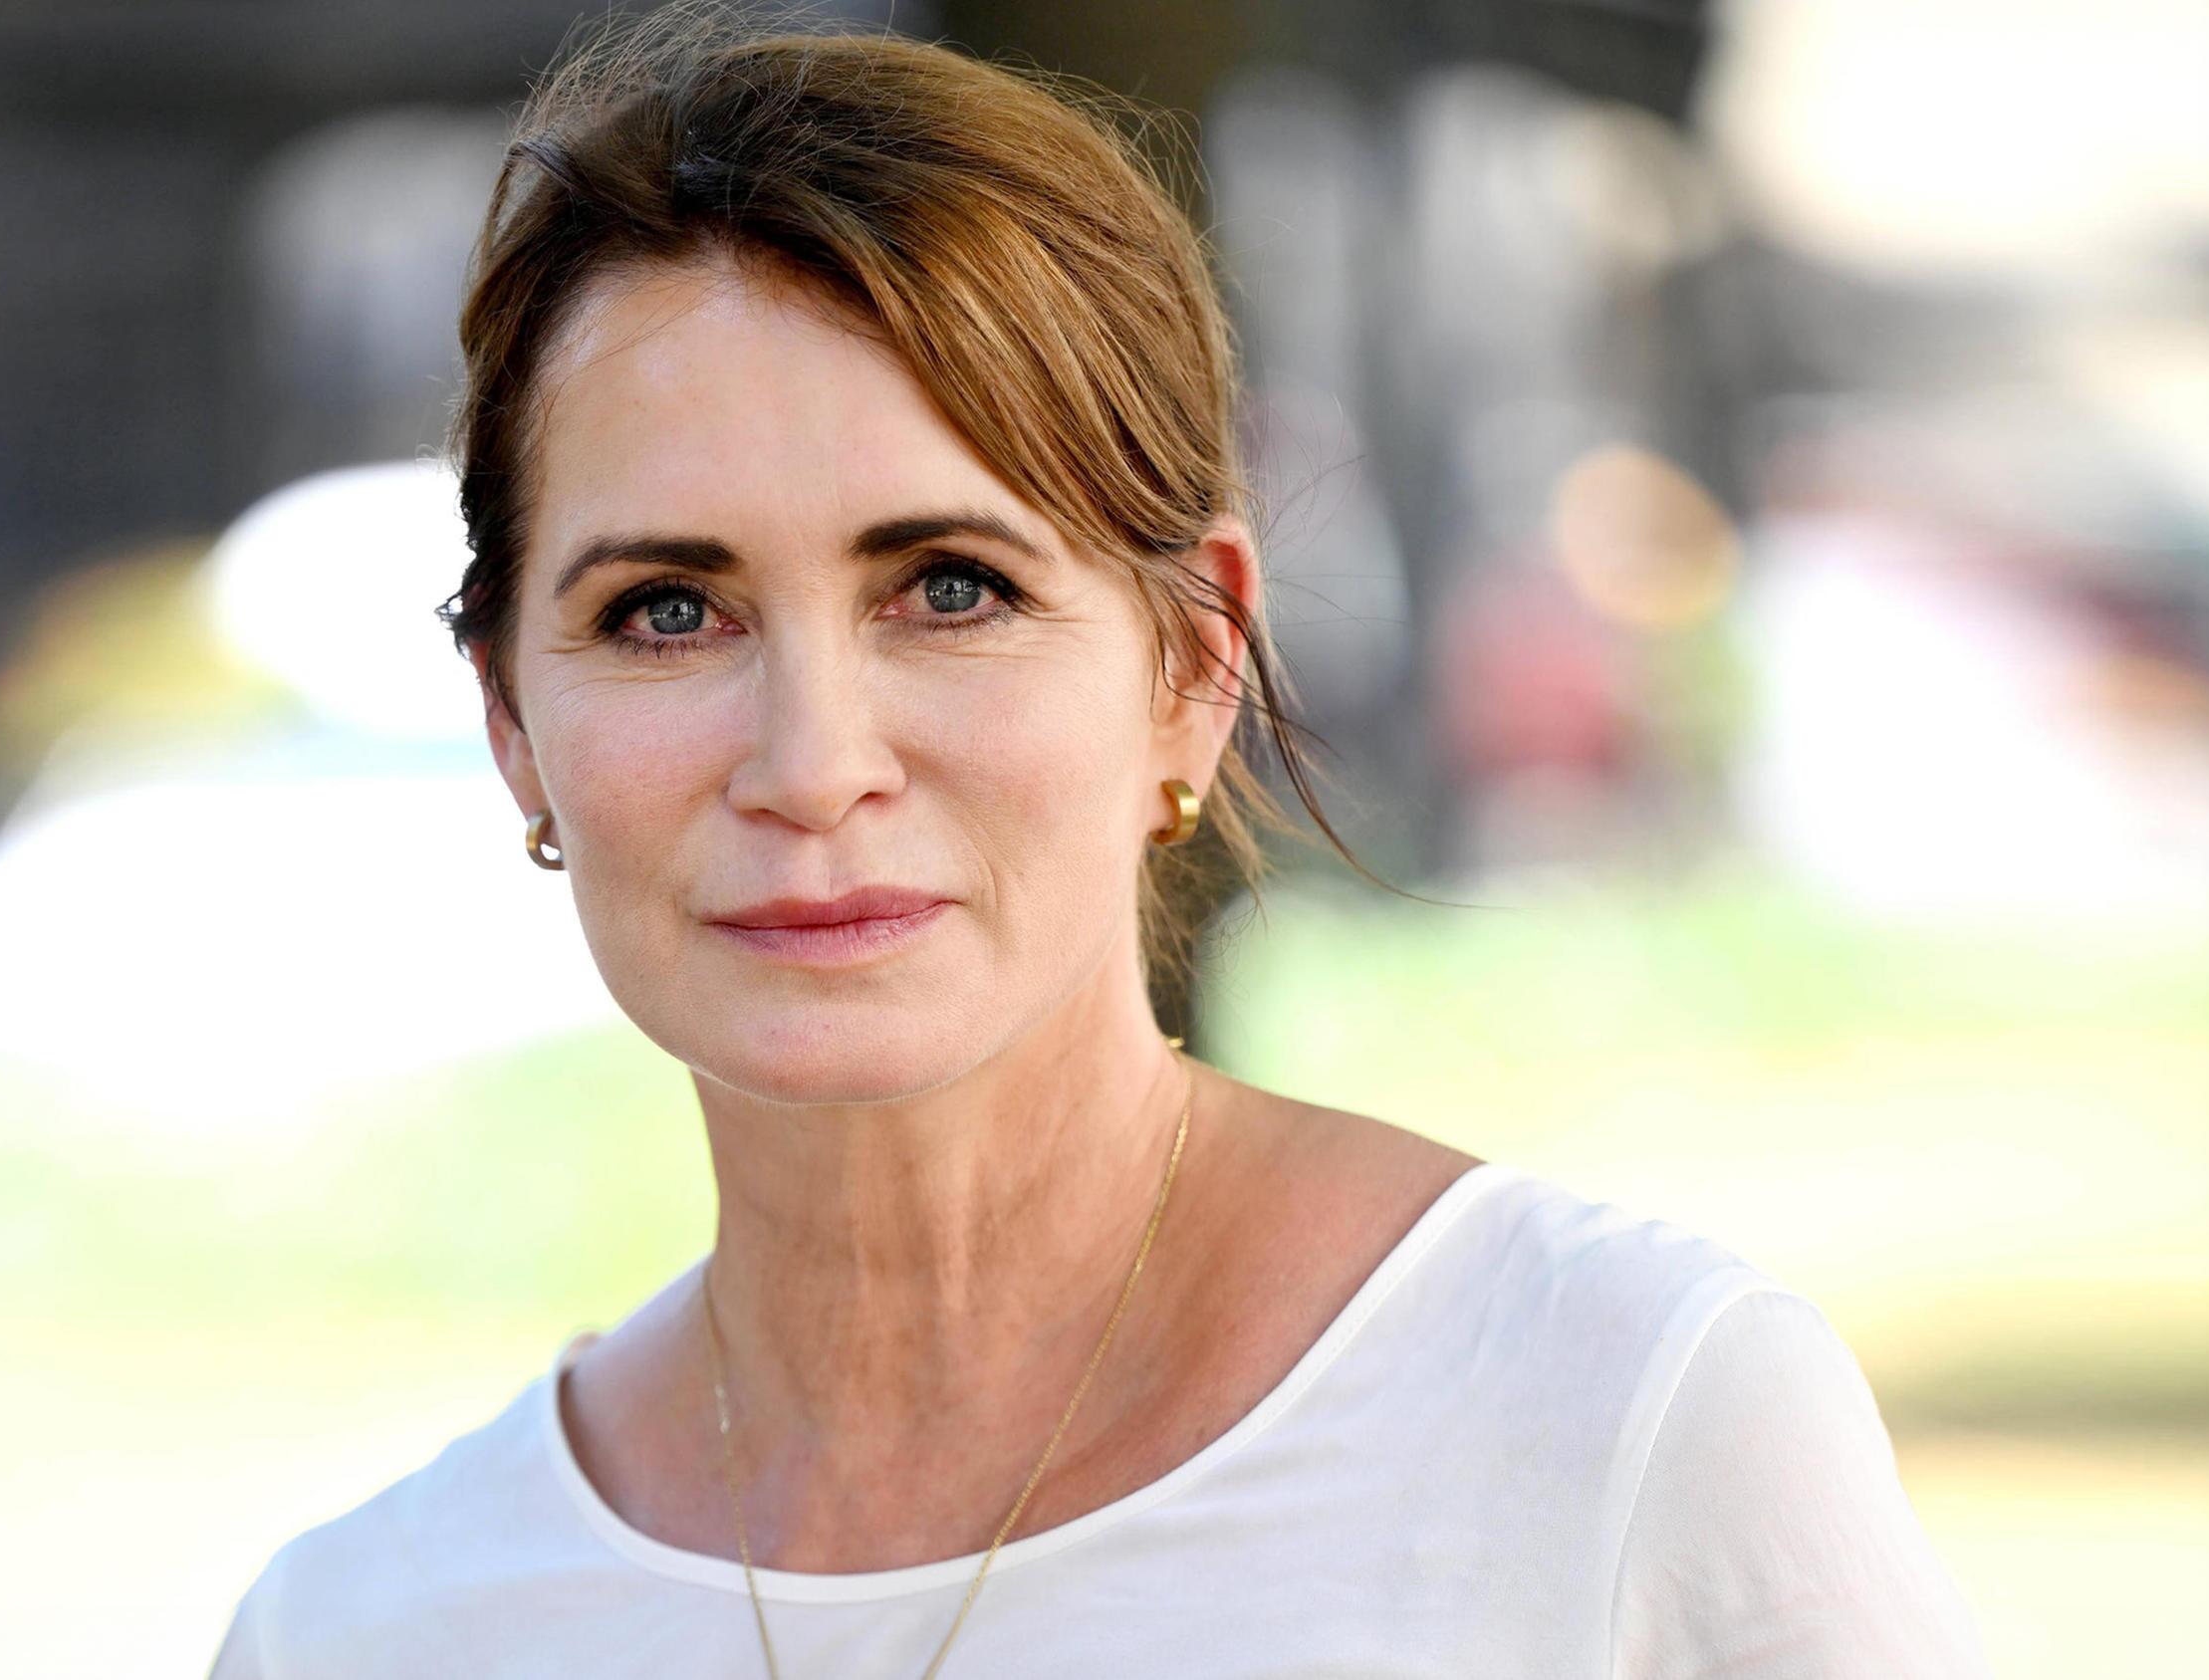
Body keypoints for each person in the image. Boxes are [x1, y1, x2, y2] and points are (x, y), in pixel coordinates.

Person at [206, 11, 1993, 1677]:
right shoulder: (369, 1629)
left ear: (1193, 665)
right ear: (512, 720)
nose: (814, 767)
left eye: (950, 588)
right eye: (668, 611)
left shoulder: (1624, 1432)